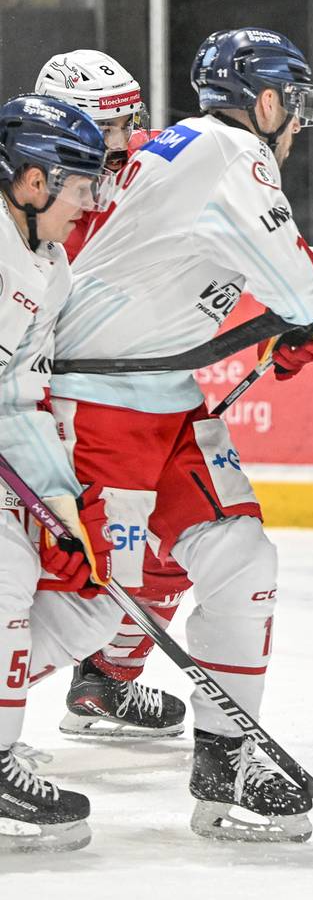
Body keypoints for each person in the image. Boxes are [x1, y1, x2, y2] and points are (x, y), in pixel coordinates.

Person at [49, 27, 313, 843]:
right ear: (271, 101)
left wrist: (300, 296)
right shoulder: (230, 153)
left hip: (164, 403)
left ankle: (227, 764)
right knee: (81, 612)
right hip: (99, 409)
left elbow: (241, 261)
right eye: (295, 104)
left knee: (242, 560)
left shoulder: (188, 154)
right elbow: (293, 281)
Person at [34, 48, 189, 740]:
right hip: (57, 405)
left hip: (143, 395)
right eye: (110, 129)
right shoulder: (31, 193)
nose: (128, 141)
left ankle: (105, 683)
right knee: (69, 580)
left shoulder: (152, 160)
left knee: (172, 553)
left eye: (134, 120)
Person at [0, 93, 121, 852]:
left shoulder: (53, 266)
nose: (91, 201)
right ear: (35, 182)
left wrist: (59, 502)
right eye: (81, 184)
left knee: (94, 606)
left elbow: (20, 396)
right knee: (7, 579)